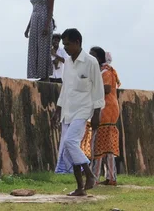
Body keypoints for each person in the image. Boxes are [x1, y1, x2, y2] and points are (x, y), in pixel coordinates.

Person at [52, 29, 105, 197]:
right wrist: (58, 109)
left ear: (77, 42)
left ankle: (90, 175)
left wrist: (97, 113)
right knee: (70, 147)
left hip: (83, 110)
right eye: (64, 44)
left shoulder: (91, 62)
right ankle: (80, 188)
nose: (65, 48)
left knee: (70, 142)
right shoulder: (67, 63)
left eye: (67, 44)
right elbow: (65, 88)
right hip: (68, 110)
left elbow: (98, 89)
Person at [89, 47, 121, 186]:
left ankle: (94, 177)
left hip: (106, 110)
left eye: (93, 56)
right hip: (108, 109)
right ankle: (111, 177)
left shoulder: (105, 72)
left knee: (98, 146)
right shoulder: (105, 71)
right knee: (107, 147)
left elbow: (106, 89)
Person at [25, 0, 55, 81]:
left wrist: (47, 26)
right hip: (34, 21)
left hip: (44, 20)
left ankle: (45, 75)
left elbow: (50, 9)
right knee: (34, 48)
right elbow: (33, 11)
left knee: (44, 48)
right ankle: (36, 74)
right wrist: (28, 28)